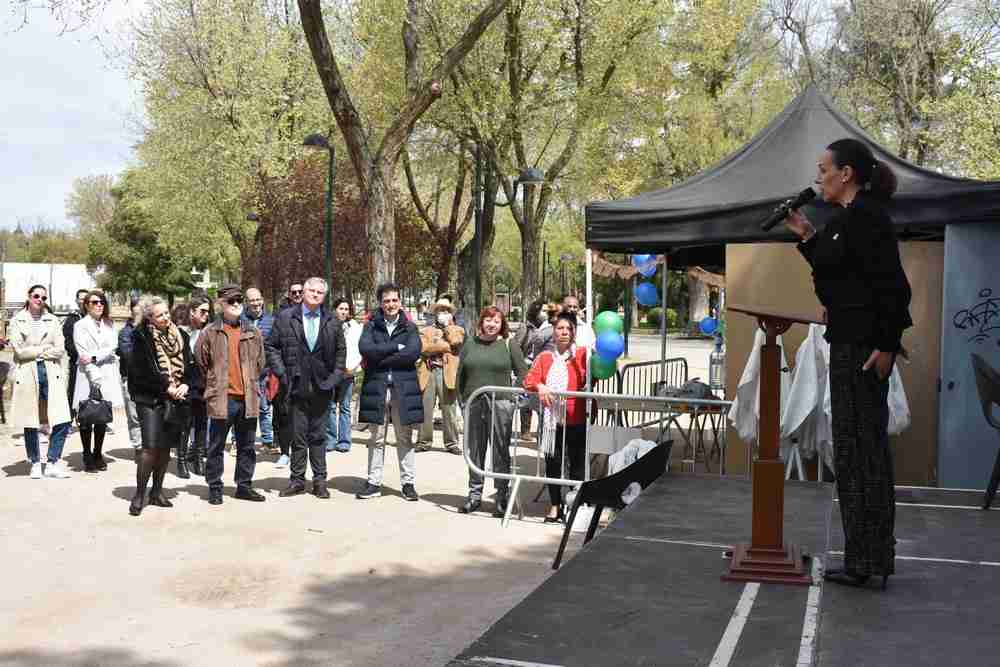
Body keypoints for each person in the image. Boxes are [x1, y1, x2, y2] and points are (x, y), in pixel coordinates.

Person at [786, 138, 912, 590]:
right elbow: (836, 273)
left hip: (864, 351)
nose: (818, 176)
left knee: (864, 454)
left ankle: (870, 559)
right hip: (848, 345)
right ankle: (863, 557)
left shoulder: (869, 218)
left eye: (824, 169)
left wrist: (888, 343)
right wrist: (806, 234)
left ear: (847, 173)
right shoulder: (846, 221)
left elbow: (894, 288)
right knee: (852, 453)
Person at [266, 278, 346, 499]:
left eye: (320, 292)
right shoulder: (286, 317)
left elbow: (341, 353)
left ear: (324, 296)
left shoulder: (332, 320)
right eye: (311, 290)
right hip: (295, 385)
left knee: (319, 436)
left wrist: (334, 379)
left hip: (322, 385)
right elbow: (271, 346)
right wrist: (282, 373)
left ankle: (320, 480)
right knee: (298, 436)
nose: (315, 294)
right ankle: (297, 480)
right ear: (304, 291)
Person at [196, 285, 267, 505]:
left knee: (247, 446)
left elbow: (261, 363)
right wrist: (215, 384)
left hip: (247, 397)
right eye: (231, 301)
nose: (236, 304)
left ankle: (244, 486)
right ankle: (215, 487)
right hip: (222, 398)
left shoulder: (253, 332)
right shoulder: (210, 332)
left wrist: (251, 384)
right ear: (221, 304)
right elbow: (201, 361)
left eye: (238, 300)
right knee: (216, 445)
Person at [456, 307, 529, 516]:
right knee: (475, 451)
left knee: (500, 452)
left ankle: (501, 497)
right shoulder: (470, 343)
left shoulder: (508, 344)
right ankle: (474, 495)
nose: (491, 324)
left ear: (501, 323)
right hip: (474, 403)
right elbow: (461, 375)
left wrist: (513, 399)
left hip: (500, 405)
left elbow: (523, 373)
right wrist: (463, 403)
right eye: (487, 319)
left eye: (496, 321)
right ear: (481, 322)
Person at [355, 281, 423, 501]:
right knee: (377, 437)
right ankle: (373, 482)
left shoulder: (410, 327)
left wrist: (380, 355)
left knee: (405, 437)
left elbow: (413, 353)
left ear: (400, 302)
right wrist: (395, 347)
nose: (391, 304)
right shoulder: (371, 325)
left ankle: (408, 483)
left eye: (394, 300)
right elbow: (365, 349)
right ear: (380, 303)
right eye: (386, 301)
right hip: (378, 386)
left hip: (403, 388)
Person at [127, 297, 195, 516]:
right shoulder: (140, 337)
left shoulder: (181, 335)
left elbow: (191, 366)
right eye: (160, 315)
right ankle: (139, 494)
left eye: (167, 313)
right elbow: (141, 370)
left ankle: (157, 492)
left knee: (165, 448)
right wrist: (166, 386)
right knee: (150, 447)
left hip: (174, 399)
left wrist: (185, 383)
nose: (165, 317)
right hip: (149, 398)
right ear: (149, 318)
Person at [524, 312, 589, 523]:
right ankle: (555, 505)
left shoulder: (582, 355)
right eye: (560, 328)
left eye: (568, 329)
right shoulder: (544, 358)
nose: (564, 332)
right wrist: (541, 386)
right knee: (553, 463)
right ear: (554, 331)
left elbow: (591, 378)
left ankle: (574, 505)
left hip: (576, 418)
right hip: (552, 422)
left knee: (577, 465)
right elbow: (529, 380)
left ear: (574, 333)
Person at [9, 285, 73, 479]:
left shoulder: (53, 320)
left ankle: (53, 461)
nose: (40, 300)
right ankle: (35, 462)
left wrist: (35, 351)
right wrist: (43, 349)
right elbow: (19, 351)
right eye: (36, 296)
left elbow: (60, 349)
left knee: (61, 419)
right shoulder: (17, 320)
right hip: (28, 373)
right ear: (28, 297)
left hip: (51, 372)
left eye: (44, 297)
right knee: (31, 420)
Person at [73, 290, 124, 473]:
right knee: (87, 416)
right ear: (86, 305)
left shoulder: (109, 324)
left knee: (102, 416)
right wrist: (93, 365)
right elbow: (82, 353)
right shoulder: (80, 325)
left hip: (106, 372)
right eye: (94, 302)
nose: (99, 305)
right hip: (88, 375)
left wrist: (94, 357)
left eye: (101, 302)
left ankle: (98, 452)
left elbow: (112, 347)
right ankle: (86, 454)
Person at [415, 296, 465, 454]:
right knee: (426, 407)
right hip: (429, 371)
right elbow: (423, 348)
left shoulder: (458, 330)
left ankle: (452, 443)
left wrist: (448, 327)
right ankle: (424, 441)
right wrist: (444, 347)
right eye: (440, 311)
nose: (442, 313)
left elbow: (456, 344)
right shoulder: (426, 330)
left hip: (447, 371)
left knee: (449, 408)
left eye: (446, 311)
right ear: (434, 313)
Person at [326, 297, 362, 453]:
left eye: (346, 309)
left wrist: (353, 367)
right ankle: (331, 439)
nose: (344, 312)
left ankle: (344, 441)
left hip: (348, 372)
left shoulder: (355, 327)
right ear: (335, 309)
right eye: (341, 308)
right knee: (331, 406)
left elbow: (359, 349)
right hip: (332, 373)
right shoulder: (327, 325)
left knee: (345, 407)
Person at [180, 295, 211, 477]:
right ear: (192, 312)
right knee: (185, 424)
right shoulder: (179, 332)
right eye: (202, 311)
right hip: (185, 385)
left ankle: (199, 459)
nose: (206, 315)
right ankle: (182, 460)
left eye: (208, 311)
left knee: (202, 423)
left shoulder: (209, 332)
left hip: (203, 384)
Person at [243, 287, 275, 451]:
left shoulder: (271, 320)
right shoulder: (240, 320)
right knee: (243, 408)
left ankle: (267, 441)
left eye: (257, 299)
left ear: (262, 300)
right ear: (246, 302)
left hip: (263, 372)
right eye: (251, 300)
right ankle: (238, 440)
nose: (255, 303)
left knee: (263, 408)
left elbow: (274, 346)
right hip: (243, 372)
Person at [514, 298, 546, 441]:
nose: (545, 314)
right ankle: (525, 430)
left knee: (542, 402)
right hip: (527, 368)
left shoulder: (549, 327)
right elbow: (516, 347)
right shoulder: (525, 327)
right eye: (543, 311)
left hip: (543, 369)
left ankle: (542, 432)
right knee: (526, 401)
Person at [117, 301, 144, 450]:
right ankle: (138, 446)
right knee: (134, 416)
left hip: (151, 379)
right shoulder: (125, 333)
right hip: (131, 378)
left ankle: (149, 445)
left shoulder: (152, 329)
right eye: (137, 308)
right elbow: (129, 355)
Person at [62, 288, 90, 425]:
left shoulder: (95, 317)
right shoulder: (72, 319)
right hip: (77, 362)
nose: (83, 300)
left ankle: (93, 418)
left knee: (94, 391)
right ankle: (69, 420)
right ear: (76, 300)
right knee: (73, 391)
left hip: (94, 361)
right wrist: (81, 355)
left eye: (86, 297)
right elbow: (68, 342)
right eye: (81, 298)